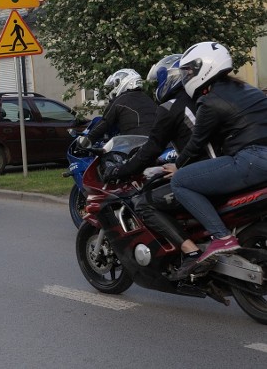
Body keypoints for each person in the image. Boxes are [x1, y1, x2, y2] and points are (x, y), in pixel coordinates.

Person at [166, 41, 267, 278]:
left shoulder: (209, 101)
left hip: (251, 159)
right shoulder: (248, 89)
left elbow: (196, 144)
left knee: (180, 182)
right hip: (259, 157)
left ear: (206, 68)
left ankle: (222, 237)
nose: (186, 76)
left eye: (189, 70)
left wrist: (177, 166)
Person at [103, 54, 212, 253]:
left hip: (203, 174)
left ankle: (190, 252)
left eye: (158, 82)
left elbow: (151, 149)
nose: (156, 88)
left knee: (144, 204)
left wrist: (121, 170)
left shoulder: (171, 107)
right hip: (223, 166)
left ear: (169, 78)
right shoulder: (202, 99)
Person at [82, 68, 157, 146]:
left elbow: (105, 122)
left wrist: (87, 140)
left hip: (135, 144)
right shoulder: (148, 99)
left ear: (126, 81)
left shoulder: (120, 100)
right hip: (156, 143)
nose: (114, 87)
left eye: (116, 83)